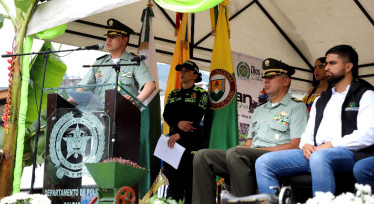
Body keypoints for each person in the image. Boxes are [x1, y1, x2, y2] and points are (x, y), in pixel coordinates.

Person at [255, 45, 374, 196]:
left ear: (348, 66)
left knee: (319, 157)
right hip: (315, 151)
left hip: (350, 153)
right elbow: (308, 132)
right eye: (326, 64)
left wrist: (329, 145)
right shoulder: (321, 99)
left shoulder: (365, 94)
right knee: (264, 162)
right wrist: (305, 145)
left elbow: (368, 134)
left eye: (332, 63)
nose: (327, 68)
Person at [192, 58, 308, 204]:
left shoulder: (296, 108)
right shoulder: (259, 110)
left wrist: (250, 150)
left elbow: (296, 145)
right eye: (265, 78)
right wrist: (243, 148)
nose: (266, 81)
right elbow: (249, 144)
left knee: (236, 154)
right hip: (248, 156)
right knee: (202, 156)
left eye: (271, 78)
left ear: (286, 81)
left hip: (276, 157)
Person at [68, 18, 156, 105]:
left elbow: (150, 85)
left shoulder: (134, 62)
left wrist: (136, 102)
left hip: (125, 114)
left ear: (125, 40)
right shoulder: (99, 63)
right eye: (107, 37)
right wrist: (71, 100)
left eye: (113, 37)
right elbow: (85, 87)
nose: (108, 40)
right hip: (100, 115)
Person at [162, 60, 209, 204]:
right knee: (173, 185)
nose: (182, 73)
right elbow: (166, 115)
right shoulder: (174, 93)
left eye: (186, 70)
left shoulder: (201, 93)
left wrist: (180, 134)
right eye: (180, 70)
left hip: (192, 144)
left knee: (190, 185)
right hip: (172, 144)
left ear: (195, 75)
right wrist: (178, 123)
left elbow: (196, 117)